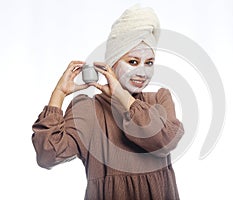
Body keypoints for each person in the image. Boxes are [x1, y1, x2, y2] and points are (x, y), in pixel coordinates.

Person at [32, 5, 184, 200]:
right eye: (133, 61)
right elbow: (47, 156)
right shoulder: (88, 109)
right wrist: (59, 94)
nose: (143, 72)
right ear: (111, 64)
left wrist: (122, 96)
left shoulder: (159, 99)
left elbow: (163, 142)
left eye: (149, 63)